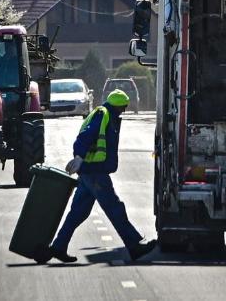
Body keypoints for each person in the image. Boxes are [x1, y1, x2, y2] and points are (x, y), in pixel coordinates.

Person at [38, 89, 156, 263]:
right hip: (95, 172)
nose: (123, 111)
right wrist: (78, 157)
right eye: (123, 108)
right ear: (118, 106)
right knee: (114, 208)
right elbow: (86, 136)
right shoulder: (103, 114)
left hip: (89, 171)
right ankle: (134, 245)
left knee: (78, 213)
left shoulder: (103, 113)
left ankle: (58, 247)